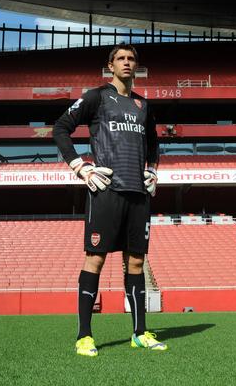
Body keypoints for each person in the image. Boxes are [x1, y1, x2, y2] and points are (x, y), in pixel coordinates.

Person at [53, 44, 166, 357]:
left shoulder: (144, 105)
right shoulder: (97, 97)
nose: (127, 63)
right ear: (110, 65)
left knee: (137, 263)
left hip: (138, 195)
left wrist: (153, 172)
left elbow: (155, 144)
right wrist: (80, 166)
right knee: (96, 259)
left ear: (136, 66)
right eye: (121, 58)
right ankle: (84, 336)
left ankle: (139, 333)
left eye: (131, 59)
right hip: (106, 192)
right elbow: (61, 129)